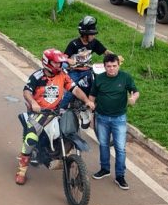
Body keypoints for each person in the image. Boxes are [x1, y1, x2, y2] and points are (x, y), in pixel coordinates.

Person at [15, 48, 95, 185]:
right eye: (56, 63)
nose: (59, 65)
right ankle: (21, 171)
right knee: (31, 137)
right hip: (40, 112)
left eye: (60, 63)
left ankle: (65, 155)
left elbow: (74, 89)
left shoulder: (63, 75)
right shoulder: (37, 76)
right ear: (47, 62)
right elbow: (26, 92)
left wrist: (87, 101)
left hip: (58, 111)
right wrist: (33, 103)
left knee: (72, 128)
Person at [88, 54, 139, 190]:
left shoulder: (125, 77)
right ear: (104, 67)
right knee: (103, 144)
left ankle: (120, 176)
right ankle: (104, 169)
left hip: (119, 119)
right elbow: (92, 96)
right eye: (108, 66)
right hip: (101, 118)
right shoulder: (99, 79)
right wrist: (91, 110)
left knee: (120, 148)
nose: (111, 69)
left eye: (114, 66)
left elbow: (135, 91)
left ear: (118, 65)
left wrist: (133, 98)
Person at [60, 15, 118, 111]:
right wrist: (69, 60)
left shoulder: (94, 42)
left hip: (88, 70)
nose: (93, 36)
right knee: (71, 89)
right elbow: (63, 57)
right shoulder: (74, 44)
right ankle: (60, 109)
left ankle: (97, 105)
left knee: (99, 85)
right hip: (75, 72)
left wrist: (115, 57)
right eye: (91, 34)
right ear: (84, 34)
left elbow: (105, 51)